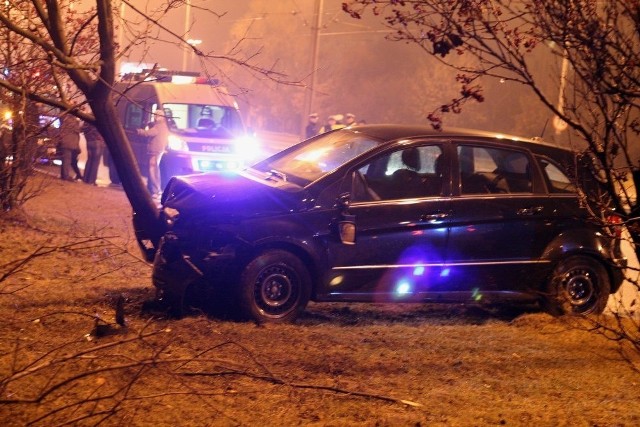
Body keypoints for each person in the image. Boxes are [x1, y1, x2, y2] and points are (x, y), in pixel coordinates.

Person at [137, 109, 169, 197]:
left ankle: (156, 191)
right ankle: (156, 190)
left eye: (156, 115)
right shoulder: (165, 126)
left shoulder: (158, 126)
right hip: (159, 150)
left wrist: (139, 131)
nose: (155, 117)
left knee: (153, 170)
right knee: (155, 169)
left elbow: (148, 133)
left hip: (155, 150)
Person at [58, 115, 82, 182]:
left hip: (66, 142)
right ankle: (65, 176)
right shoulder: (71, 120)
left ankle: (64, 175)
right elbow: (77, 129)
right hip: (68, 143)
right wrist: (78, 121)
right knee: (67, 160)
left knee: (65, 160)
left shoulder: (65, 119)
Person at [82, 121, 106, 186]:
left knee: (89, 161)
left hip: (89, 142)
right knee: (95, 162)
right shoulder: (98, 119)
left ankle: (85, 179)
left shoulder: (86, 121)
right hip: (97, 142)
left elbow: (83, 130)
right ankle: (91, 181)